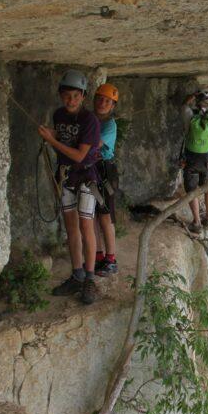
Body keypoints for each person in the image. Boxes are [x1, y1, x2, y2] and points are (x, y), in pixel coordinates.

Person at [37, 70, 101, 304]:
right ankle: (77, 274)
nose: (71, 100)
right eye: (67, 95)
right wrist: (51, 133)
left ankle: (90, 279)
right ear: (61, 96)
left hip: (85, 176)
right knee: (71, 228)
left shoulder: (90, 120)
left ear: (83, 96)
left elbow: (79, 154)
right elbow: (66, 139)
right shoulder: (59, 115)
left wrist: (52, 140)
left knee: (86, 226)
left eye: (75, 96)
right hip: (66, 177)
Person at [181, 88, 208, 233]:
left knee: (191, 191)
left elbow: (184, 105)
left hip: (191, 159)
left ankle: (197, 222)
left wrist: (193, 95)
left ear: (197, 100)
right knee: (207, 188)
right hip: (207, 159)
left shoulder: (189, 115)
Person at [92, 83, 120, 277]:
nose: (103, 103)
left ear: (112, 106)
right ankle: (98, 256)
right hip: (90, 169)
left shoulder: (110, 125)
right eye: (100, 99)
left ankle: (111, 259)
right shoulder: (90, 119)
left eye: (107, 101)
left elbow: (95, 144)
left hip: (104, 171)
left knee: (105, 215)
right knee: (91, 215)